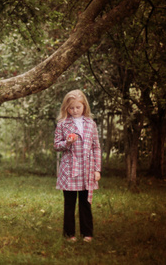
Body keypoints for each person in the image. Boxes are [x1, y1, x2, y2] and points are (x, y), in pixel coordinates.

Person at [54, 89, 101, 243]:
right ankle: (69, 234)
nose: (74, 110)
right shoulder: (62, 124)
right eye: (71, 108)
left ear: (84, 106)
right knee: (69, 203)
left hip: (87, 170)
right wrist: (67, 142)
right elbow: (56, 145)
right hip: (70, 170)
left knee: (85, 203)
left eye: (77, 107)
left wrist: (97, 169)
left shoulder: (90, 124)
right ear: (66, 108)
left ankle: (87, 233)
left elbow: (96, 147)